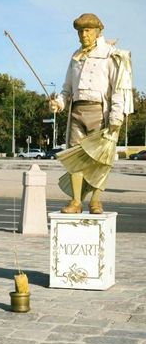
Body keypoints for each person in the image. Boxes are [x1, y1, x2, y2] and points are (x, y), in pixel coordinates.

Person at [50, 13, 133, 214]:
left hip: (100, 112)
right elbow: (67, 89)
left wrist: (116, 116)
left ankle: (95, 201)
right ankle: (76, 201)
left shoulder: (110, 54)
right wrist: (59, 104)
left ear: (98, 32)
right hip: (77, 111)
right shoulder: (75, 56)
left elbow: (118, 88)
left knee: (100, 159)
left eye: (87, 30)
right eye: (80, 31)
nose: (83, 35)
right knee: (74, 157)